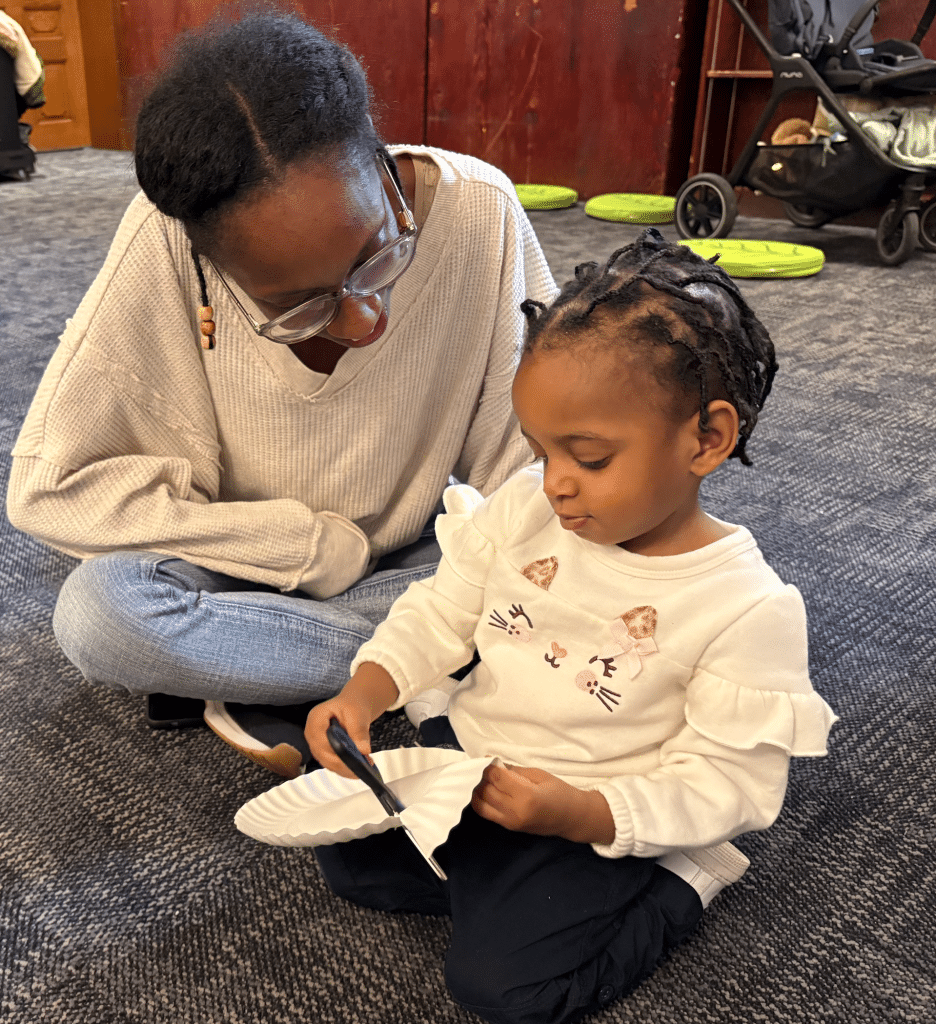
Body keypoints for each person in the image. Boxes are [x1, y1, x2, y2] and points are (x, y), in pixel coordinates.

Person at [304, 229, 838, 1024]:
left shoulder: (746, 608)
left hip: (597, 808)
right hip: (477, 762)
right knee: (343, 859)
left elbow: (731, 786)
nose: (554, 484)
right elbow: (442, 609)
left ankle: (681, 882)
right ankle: (498, 886)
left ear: (708, 439)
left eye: (588, 458)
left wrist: (584, 814)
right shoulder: (528, 504)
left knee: (506, 990)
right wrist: (366, 691)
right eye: (541, 450)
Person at [5, 13, 556, 776]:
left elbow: (531, 469)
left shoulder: (480, 211)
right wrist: (309, 550)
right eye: (298, 305)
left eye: (377, 254)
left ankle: (263, 665)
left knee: (553, 559)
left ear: (381, 160)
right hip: (245, 568)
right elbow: (51, 488)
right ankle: (432, 655)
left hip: (421, 555)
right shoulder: (167, 238)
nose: (364, 321)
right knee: (101, 614)